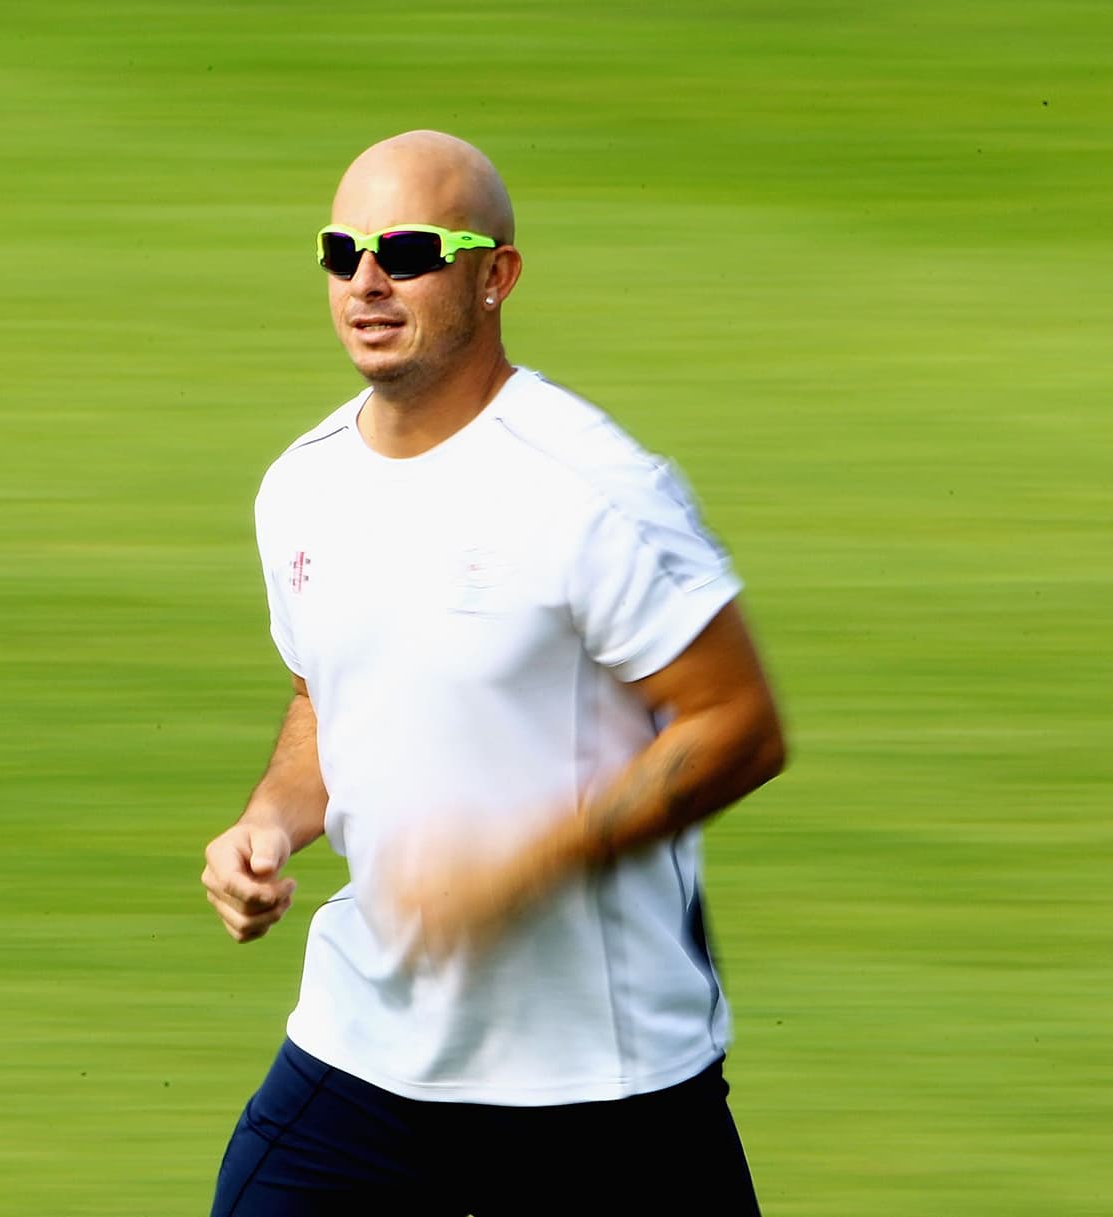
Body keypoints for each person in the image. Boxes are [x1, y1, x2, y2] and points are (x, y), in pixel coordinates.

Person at [201, 130, 788, 1216]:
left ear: (496, 275)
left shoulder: (591, 488)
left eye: (409, 249)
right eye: (342, 252)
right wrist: (268, 824)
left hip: (603, 1092)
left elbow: (739, 723)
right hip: (363, 1057)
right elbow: (326, 700)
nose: (367, 282)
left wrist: (515, 870)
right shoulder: (301, 486)